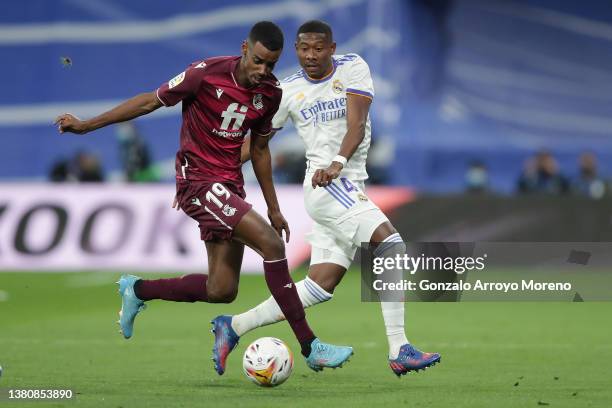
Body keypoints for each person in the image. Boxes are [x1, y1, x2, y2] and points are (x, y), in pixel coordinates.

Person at [55, 21, 353, 374]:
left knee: (222, 289)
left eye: (271, 64)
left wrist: (274, 208)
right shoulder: (205, 73)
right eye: (258, 61)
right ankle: (310, 346)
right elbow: (151, 101)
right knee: (273, 248)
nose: (263, 70)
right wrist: (87, 125)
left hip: (230, 185)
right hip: (197, 182)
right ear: (245, 48)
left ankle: (137, 289)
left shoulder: (270, 94)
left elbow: (259, 150)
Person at [213, 20, 440, 377]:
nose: (311, 56)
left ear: (331, 48)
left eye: (318, 49)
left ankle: (233, 326)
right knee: (390, 244)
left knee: (320, 285)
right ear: (297, 51)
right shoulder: (285, 91)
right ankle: (400, 348)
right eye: (304, 49)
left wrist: (338, 162)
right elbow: (257, 144)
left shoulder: (353, 67)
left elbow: (357, 124)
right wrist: (213, 167)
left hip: (347, 181)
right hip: (325, 187)